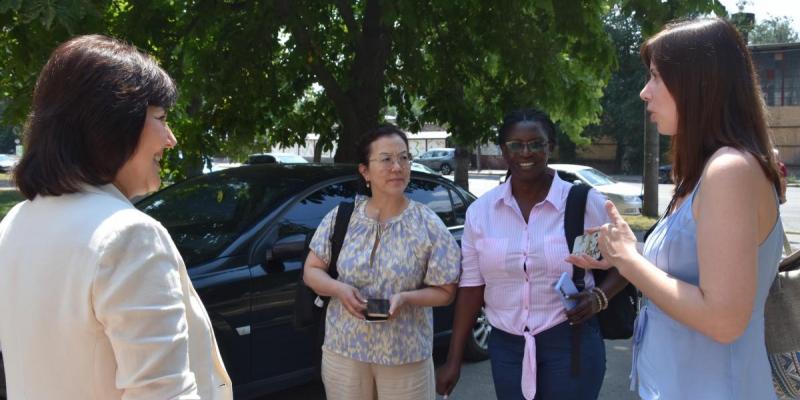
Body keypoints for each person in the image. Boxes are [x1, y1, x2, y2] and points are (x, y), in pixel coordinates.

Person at [0, 35, 232, 399]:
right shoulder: (127, 235)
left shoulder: (16, 222)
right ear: (112, 124)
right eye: (161, 118)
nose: (170, 139)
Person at [567, 18, 784, 400]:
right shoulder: (706, 171)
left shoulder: (729, 170)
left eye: (656, 76)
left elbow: (724, 320)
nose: (644, 92)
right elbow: (691, 271)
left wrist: (629, 262)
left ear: (700, 83)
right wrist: (625, 254)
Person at [436, 109, 629, 400]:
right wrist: (454, 359)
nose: (526, 152)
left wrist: (599, 297)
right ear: (504, 151)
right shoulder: (481, 212)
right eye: (516, 145)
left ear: (550, 147)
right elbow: (472, 286)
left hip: (570, 340)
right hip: (507, 348)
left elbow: (628, 263)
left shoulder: (583, 203)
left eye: (536, 143)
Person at [303, 124, 461, 400]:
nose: (397, 167)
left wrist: (406, 298)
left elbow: (446, 292)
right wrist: (339, 289)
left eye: (404, 158)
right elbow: (312, 271)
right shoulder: (342, 216)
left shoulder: (427, 223)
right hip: (344, 351)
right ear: (365, 171)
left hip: (405, 355)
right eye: (386, 159)